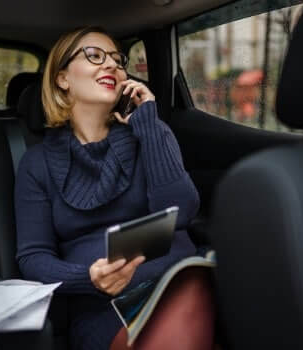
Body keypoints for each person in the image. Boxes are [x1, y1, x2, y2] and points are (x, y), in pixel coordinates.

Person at [14, 26, 215, 350]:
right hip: (104, 305)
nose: (111, 65)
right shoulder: (36, 164)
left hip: (177, 279)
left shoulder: (150, 134)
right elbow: (33, 257)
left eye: (118, 60)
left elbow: (181, 211)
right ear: (62, 78)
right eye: (94, 55)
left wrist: (148, 122)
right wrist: (89, 278)